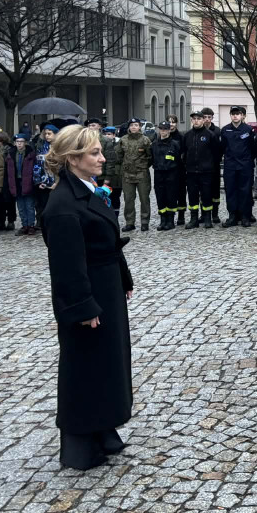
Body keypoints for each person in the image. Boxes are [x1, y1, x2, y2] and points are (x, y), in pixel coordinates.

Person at [41, 125, 135, 471]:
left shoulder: (85, 190)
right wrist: (81, 307)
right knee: (85, 367)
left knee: (107, 363)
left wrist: (123, 277)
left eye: (100, 151)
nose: (102, 157)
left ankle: (104, 428)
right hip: (88, 294)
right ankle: (81, 443)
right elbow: (67, 265)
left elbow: (108, 239)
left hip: (105, 287)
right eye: (94, 153)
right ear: (73, 159)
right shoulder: (63, 205)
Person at [219, 106, 256, 227]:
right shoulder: (225, 130)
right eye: (233, 114)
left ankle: (245, 216)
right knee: (230, 191)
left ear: (241, 115)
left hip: (245, 166)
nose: (235, 116)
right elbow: (222, 147)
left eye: (237, 114)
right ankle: (233, 216)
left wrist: (248, 161)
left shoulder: (248, 130)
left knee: (245, 191)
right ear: (230, 115)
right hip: (230, 166)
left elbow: (253, 148)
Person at [183, 111, 219, 229]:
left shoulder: (210, 135)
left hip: (206, 172)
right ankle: (194, 219)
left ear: (203, 120)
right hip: (192, 172)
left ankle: (207, 218)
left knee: (206, 195)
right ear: (192, 121)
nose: (196, 121)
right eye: (194, 119)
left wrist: (210, 166)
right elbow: (184, 152)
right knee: (192, 196)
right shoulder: (187, 135)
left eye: (199, 118)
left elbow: (216, 153)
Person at [116, 118, 152, 233]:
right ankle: (130, 222)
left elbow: (150, 156)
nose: (133, 127)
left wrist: (143, 165)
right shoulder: (123, 140)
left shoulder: (145, 140)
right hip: (127, 174)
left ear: (139, 127)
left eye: (136, 125)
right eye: (131, 125)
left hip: (142, 174)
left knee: (144, 199)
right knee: (128, 199)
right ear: (129, 127)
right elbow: (119, 155)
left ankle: (145, 222)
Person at [151, 122, 182, 231]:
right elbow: (151, 159)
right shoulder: (154, 144)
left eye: (165, 129)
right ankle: (163, 220)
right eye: (161, 129)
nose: (163, 131)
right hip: (159, 173)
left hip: (171, 173)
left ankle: (170, 220)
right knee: (160, 197)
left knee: (171, 197)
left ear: (169, 130)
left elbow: (179, 159)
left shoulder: (175, 144)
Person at [6, 134, 37, 235]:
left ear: (25, 142)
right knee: (20, 206)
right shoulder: (11, 153)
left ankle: (31, 225)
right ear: (14, 143)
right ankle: (24, 225)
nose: (19, 143)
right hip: (16, 182)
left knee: (29, 205)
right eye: (17, 141)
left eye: (21, 141)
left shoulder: (30, 153)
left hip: (28, 182)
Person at [166, 114, 187, 225]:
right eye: (169, 122)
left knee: (181, 193)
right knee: (170, 193)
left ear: (176, 123)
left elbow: (184, 152)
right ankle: (170, 216)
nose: (171, 124)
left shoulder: (181, 137)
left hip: (179, 170)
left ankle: (181, 215)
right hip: (168, 170)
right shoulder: (163, 136)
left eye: (173, 122)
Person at [201, 107, 222, 215]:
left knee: (215, 190)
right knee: (203, 191)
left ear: (212, 118)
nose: (207, 119)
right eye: (204, 117)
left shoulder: (217, 131)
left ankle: (215, 214)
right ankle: (203, 214)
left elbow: (220, 149)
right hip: (202, 167)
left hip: (214, 166)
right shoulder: (198, 131)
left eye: (209, 117)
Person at [100, 126, 122, 218]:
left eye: (109, 134)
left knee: (115, 197)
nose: (107, 136)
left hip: (116, 176)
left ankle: (115, 216)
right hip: (105, 175)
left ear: (114, 135)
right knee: (105, 197)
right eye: (105, 134)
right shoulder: (103, 144)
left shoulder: (119, 144)